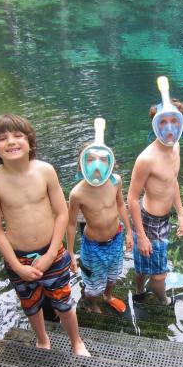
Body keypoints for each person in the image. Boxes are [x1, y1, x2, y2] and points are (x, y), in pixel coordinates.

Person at [0, 114, 89, 356]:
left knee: (64, 302)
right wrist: (16, 267)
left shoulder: (45, 171)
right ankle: (42, 339)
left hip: (52, 252)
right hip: (18, 258)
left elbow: (62, 214)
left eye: (18, 136)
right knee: (30, 304)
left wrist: (51, 253)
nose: (11, 141)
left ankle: (76, 342)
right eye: (3, 138)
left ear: (30, 141)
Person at [128, 77, 183, 306]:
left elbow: (173, 181)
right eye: (163, 122)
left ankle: (139, 289)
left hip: (165, 218)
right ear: (155, 124)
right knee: (160, 274)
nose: (170, 127)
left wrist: (180, 213)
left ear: (181, 122)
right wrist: (141, 236)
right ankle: (163, 300)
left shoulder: (176, 147)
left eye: (175, 121)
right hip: (149, 220)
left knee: (144, 265)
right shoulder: (146, 159)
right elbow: (132, 198)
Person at [67, 118, 133, 314]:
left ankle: (108, 295)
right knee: (93, 283)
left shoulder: (116, 182)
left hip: (116, 239)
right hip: (93, 246)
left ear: (111, 163)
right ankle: (92, 303)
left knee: (113, 274)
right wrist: (70, 252)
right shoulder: (78, 193)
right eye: (90, 159)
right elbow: (71, 224)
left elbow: (121, 205)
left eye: (103, 159)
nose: (97, 164)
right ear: (81, 164)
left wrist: (129, 232)